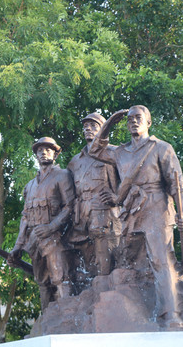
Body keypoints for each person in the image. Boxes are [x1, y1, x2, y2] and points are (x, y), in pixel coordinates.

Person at [88, 105, 183, 328]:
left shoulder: (161, 148)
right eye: (130, 119)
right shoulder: (120, 151)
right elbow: (94, 151)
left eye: (138, 118)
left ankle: (171, 314)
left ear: (148, 122)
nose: (133, 121)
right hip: (131, 210)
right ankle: (135, 311)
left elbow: (177, 183)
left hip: (156, 206)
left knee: (160, 259)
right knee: (126, 259)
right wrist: (109, 123)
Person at [8, 137, 75, 309]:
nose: (43, 153)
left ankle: (68, 317)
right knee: (42, 282)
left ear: (55, 154)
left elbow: (70, 206)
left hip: (56, 237)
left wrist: (51, 227)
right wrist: (18, 246)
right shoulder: (30, 186)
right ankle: (47, 322)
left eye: (48, 150)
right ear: (36, 156)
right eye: (40, 151)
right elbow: (25, 217)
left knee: (61, 278)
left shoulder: (63, 176)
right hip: (34, 240)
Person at [67, 113, 120, 285]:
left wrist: (117, 197)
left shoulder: (113, 153)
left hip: (105, 211)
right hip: (81, 214)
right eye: (86, 126)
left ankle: (106, 288)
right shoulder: (75, 161)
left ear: (104, 129)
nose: (88, 129)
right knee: (85, 257)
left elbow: (128, 180)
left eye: (94, 125)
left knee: (107, 252)